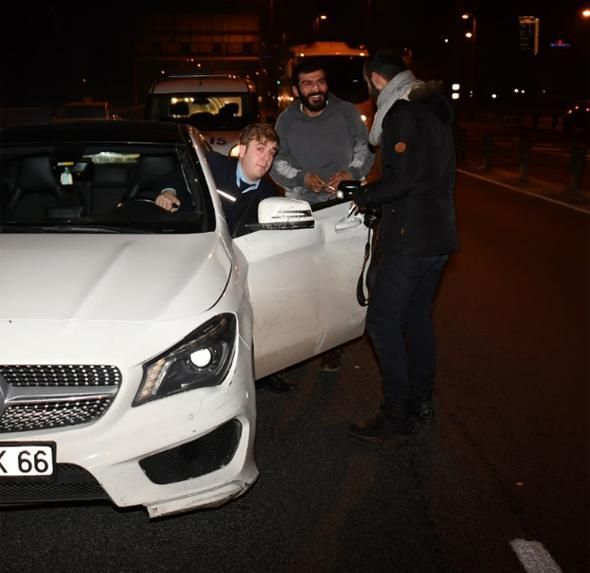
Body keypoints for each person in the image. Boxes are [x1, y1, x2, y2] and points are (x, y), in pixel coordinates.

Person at [347, 50, 458, 440]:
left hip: (411, 237)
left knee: (381, 321)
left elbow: (403, 178)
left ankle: (396, 412)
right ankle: (421, 400)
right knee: (415, 319)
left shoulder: (403, 112)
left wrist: (365, 196)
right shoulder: (432, 109)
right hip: (439, 234)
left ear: (377, 80)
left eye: (368, 84)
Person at [156, 123, 295, 393]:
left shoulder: (268, 194)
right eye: (260, 149)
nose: (266, 158)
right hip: (195, 254)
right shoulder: (213, 166)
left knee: (259, 310)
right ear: (241, 150)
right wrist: (168, 192)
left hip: (239, 262)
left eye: (272, 152)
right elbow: (175, 174)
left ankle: (265, 368)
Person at [270, 59, 374, 372]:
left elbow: (365, 147)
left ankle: (334, 344)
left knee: (341, 276)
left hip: (343, 206)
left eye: (320, 82)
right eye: (308, 84)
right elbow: (277, 162)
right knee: (303, 277)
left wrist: (352, 172)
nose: (316, 89)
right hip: (303, 206)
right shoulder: (285, 121)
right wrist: (301, 178)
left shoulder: (346, 112)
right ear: (296, 89)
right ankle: (301, 341)